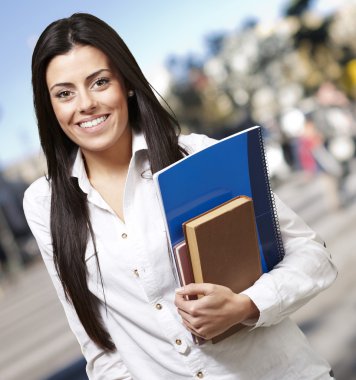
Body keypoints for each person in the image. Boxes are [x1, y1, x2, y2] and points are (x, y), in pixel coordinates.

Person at [24, 13, 337, 380]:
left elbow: (313, 256)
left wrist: (247, 305)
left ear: (125, 82)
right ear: (50, 106)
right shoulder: (44, 205)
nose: (85, 104)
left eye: (100, 82)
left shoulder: (197, 156)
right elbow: (100, 346)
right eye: (64, 93)